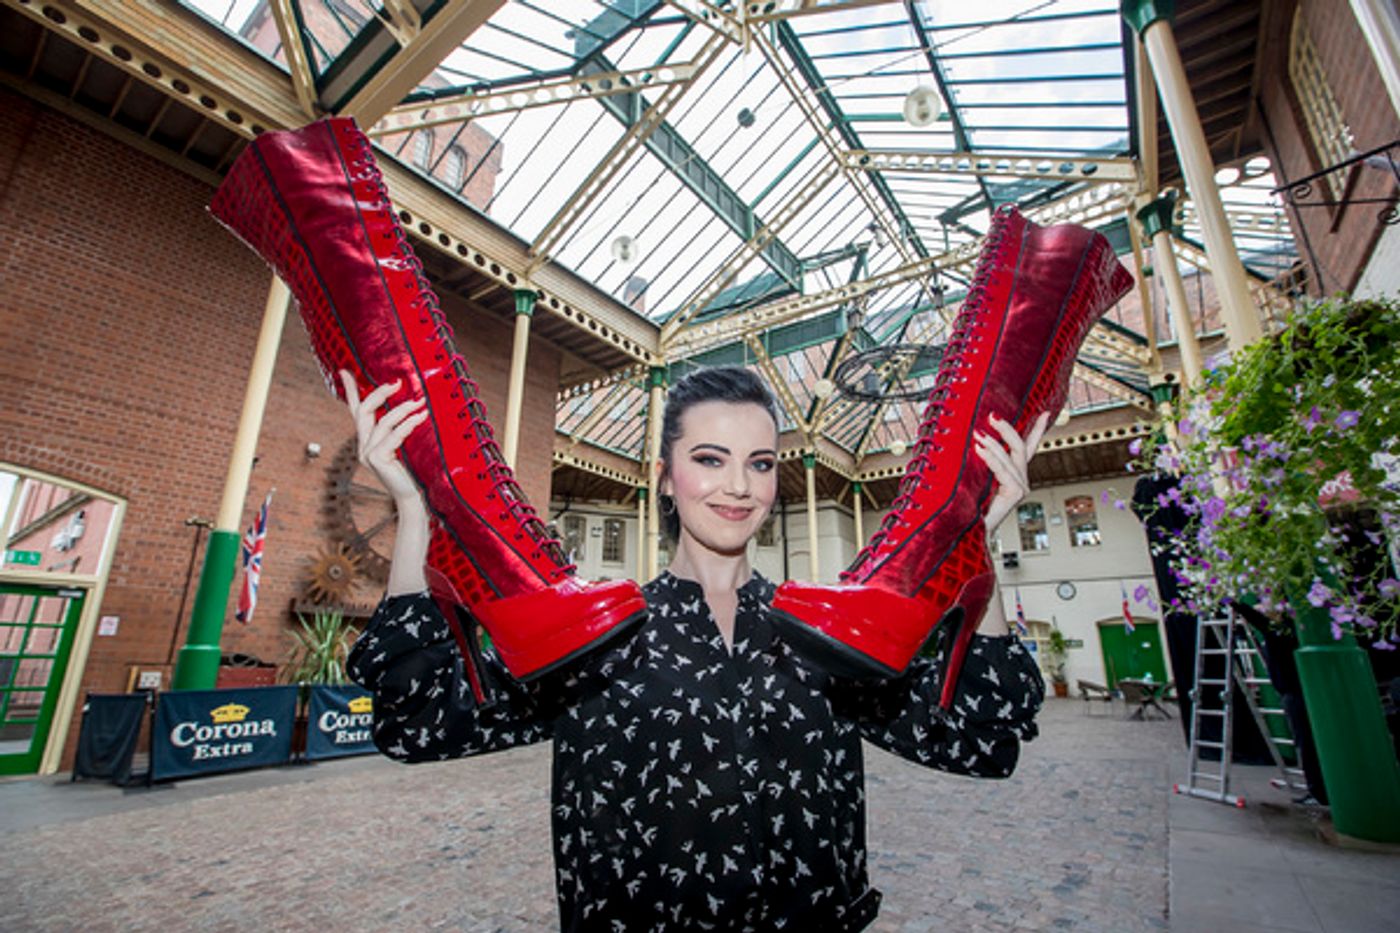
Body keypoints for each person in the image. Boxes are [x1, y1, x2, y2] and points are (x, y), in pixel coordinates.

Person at [345, 365, 1047, 932]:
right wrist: (413, 509)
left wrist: (975, 541)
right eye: (710, 459)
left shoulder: (826, 633)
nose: (739, 486)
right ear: (665, 475)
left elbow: (981, 742)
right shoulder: (594, 631)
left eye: (761, 462)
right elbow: (419, 723)